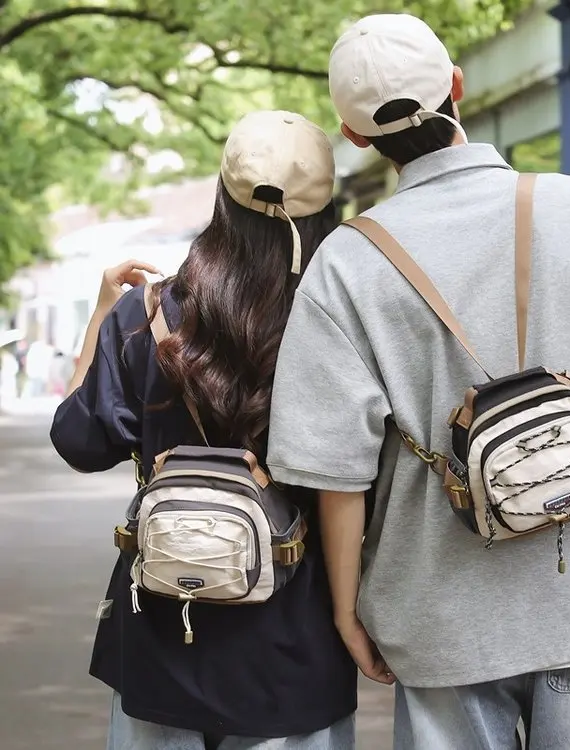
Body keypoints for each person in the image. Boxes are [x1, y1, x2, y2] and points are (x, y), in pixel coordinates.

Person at [266, 13, 570, 750]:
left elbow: (332, 469)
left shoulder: (347, 262)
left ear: (354, 137)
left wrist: (349, 610)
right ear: (457, 89)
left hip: (442, 610)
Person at [50, 111, 357, 750]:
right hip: (291, 641)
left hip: (161, 624)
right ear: (327, 206)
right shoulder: (340, 318)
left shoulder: (150, 312)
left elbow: (79, 441)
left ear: (222, 194)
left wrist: (103, 314)